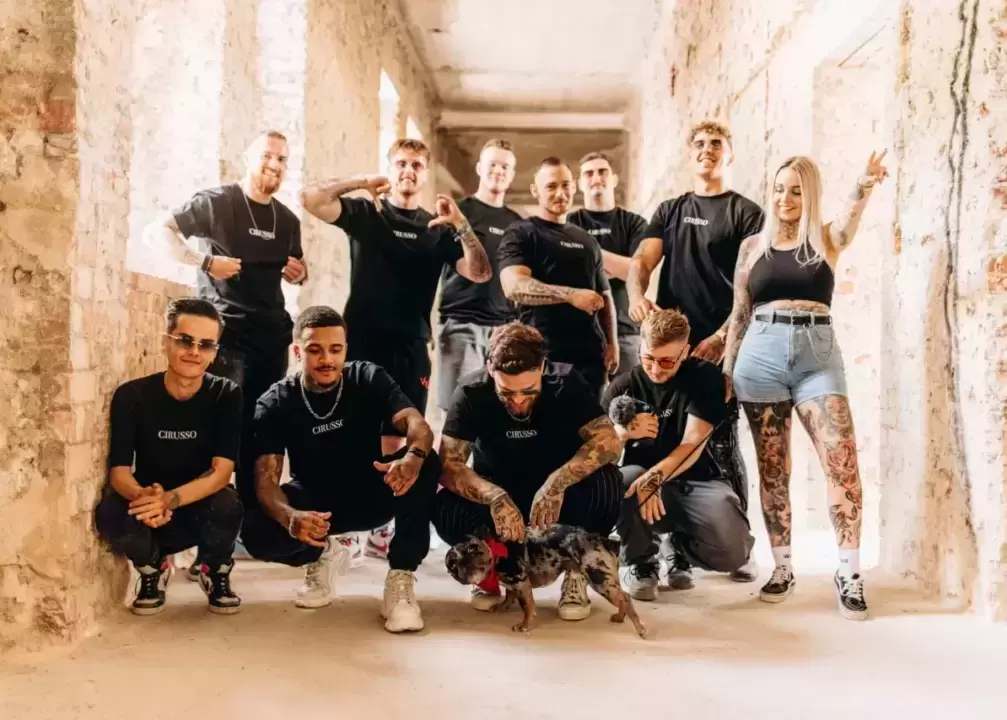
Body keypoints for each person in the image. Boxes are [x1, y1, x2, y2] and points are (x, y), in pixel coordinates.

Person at [722, 150, 889, 620]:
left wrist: (864, 183)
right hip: (760, 355)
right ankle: (783, 567)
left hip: (817, 358)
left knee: (842, 462)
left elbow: (850, 220)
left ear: (810, 194)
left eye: (796, 190)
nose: (785, 198)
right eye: (779, 189)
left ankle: (849, 572)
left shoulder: (825, 239)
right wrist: (727, 371)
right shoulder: (752, 248)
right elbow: (739, 313)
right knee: (774, 470)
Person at [240, 306, 442, 633]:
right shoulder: (275, 402)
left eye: (335, 349)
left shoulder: (367, 377)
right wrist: (290, 517)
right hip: (316, 506)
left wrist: (413, 457)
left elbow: (416, 424)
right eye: (314, 350)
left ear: (346, 350)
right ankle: (323, 553)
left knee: (426, 459)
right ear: (297, 352)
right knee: (255, 530)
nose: (326, 359)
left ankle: (401, 579)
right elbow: (267, 484)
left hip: (371, 492)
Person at [145, 130, 307, 521]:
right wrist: (204, 262)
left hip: (271, 340)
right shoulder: (216, 202)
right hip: (225, 337)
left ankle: (250, 522)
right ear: (248, 157)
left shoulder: (287, 220)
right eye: (267, 155)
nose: (274, 164)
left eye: (282, 159)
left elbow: (297, 268)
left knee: (261, 431)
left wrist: (300, 273)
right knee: (216, 430)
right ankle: (201, 519)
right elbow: (157, 232)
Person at [626, 121, 764, 581]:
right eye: (700, 144)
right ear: (690, 154)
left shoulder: (746, 213)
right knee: (664, 437)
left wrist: (723, 337)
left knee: (721, 441)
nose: (708, 150)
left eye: (716, 144)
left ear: (730, 154)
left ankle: (741, 544)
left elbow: (752, 284)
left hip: (721, 346)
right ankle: (672, 550)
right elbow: (643, 261)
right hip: (671, 347)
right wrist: (636, 294)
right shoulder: (671, 210)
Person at [433, 322, 623, 620]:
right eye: (507, 393)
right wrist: (494, 497)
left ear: (543, 367)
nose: (519, 401)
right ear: (490, 369)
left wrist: (557, 482)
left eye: (529, 391)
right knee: (445, 506)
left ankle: (576, 572)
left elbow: (610, 442)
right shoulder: (471, 391)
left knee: (608, 482)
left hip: (557, 500)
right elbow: (448, 465)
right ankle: (489, 571)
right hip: (499, 497)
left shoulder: (566, 382)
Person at [94, 298, 243, 615]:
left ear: (214, 352)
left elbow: (221, 473)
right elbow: (119, 472)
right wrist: (145, 498)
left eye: (205, 345)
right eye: (185, 341)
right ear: (166, 341)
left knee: (228, 504)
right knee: (109, 511)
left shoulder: (225, 394)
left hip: (196, 508)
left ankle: (214, 568)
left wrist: (170, 500)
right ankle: (153, 568)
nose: (194, 352)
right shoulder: (132, 395)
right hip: (150, 512)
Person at [604, 309, 756, 600]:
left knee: (733, 554)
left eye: (667, 361)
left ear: (685, 352)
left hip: (698, 480)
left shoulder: (705, 377)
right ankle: (641, 562)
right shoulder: (622, 386)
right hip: (641, 488)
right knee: (622, 480)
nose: (656, 369)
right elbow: (598, 457)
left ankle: (677, 546)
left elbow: (692, 441)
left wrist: (654, 478)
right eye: (648, 358)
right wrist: (623, 434)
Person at [498, 157, 618, 400]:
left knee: (590, 424)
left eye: (565, 185)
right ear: (536, 191)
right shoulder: (522, 233)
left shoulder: (587, 241)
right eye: (551, 186)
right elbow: (514, 286)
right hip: (543, 356)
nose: (560, 193)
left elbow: (605, 296)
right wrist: (570, 295)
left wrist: (611, 343)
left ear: (574, 187)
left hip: (589, 360)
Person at [436, 138, 523, 415]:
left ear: (512, 174)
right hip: (463, 326)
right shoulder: (458, 213)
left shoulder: (517, 223)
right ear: (479, 168)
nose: (498, 171)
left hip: (505, 331)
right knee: (460, 414)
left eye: (505, 167)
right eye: (492, 164)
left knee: (501, 416)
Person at [568, 151, 648, 381]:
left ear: (613, 179)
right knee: (580, 401)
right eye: (588, 173)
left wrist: (589, 252)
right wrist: (619, 266)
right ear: (580, 184)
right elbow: (567, 274)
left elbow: (637, 272)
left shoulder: (634, 223)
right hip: (577, 334)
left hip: (626, 332)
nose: (596, 178)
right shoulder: (568, 223)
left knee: (628, 400)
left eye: (602, 172)